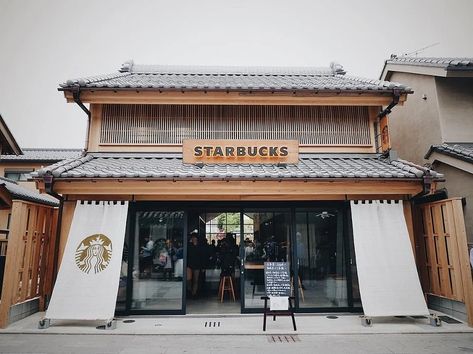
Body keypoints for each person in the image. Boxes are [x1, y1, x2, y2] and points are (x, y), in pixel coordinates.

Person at [187, 233, 202, 297]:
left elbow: (201, 255)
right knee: (188, 279)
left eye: (195, 238)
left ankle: (194, 293)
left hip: (197, 264)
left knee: (196, 280)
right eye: (193, 238)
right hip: (189, 264)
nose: (194, 239)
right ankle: (189, 291)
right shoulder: (189, 245)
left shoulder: (199, 246)